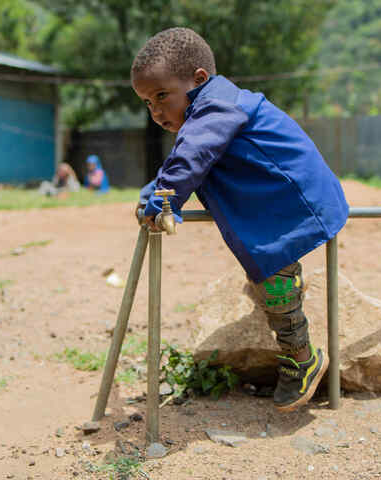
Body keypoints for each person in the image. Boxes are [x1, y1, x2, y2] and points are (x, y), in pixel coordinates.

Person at [131, 27, 349, 412]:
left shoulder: (217, 106)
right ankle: (281, 296)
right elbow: (185, 163)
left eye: (162, 96)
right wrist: (155, 193)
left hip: (293, 200)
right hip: (272, 203)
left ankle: (302, 357)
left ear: (199, 80)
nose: (156, 112)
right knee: (263, 266)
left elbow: (191, 159)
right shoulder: (207, 114)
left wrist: (162, 200)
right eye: (148, 103)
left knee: (272, 275)